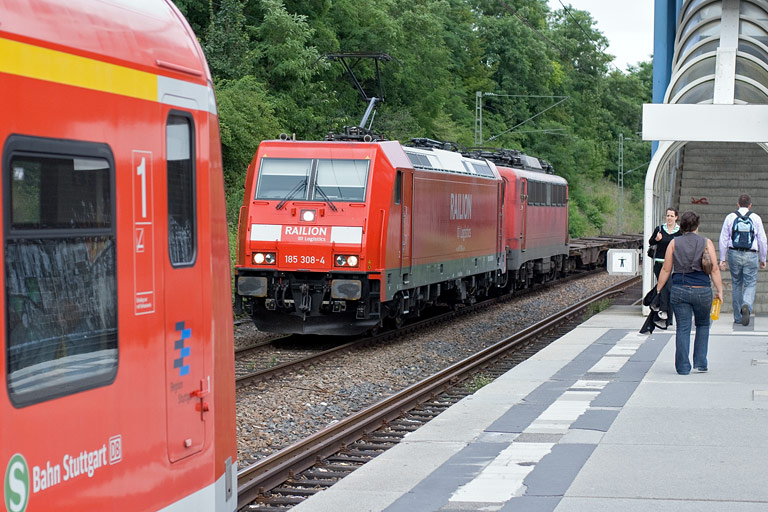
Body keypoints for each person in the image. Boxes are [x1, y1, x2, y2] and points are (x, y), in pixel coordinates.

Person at [656, 211, 723, 375]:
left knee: (683, 328)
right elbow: (714, 269)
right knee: (703, 324)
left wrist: (658, 289)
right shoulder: (706, 242)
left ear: (682, 226)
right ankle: (700, 362)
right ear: (697, 225)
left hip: (680, 290)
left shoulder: (674, 243)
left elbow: (666, 269)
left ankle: (683, 367)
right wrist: (720, 291)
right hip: (702, 290)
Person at [718, 194, 767, 326]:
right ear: (750, 205)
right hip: (751, 254)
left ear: (738, 204)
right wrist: (763, 258)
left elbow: (723, 238)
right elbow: (762, 240)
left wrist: (722, 258)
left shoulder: (730, 217)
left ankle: (738, 317)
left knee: (736, 283)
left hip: (734, 253)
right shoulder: (756, 218)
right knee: (750, 283)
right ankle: (746, 304)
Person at [648, 208, 681, 324]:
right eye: (668, 215)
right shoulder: (660, 229)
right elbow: (650, 242)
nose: (669, 218)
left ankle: (660, 308)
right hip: (660, 263)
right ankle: (663, 312)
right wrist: (657, 239)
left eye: (671, 216)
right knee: (665, 288)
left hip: (673, 264)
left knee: (668, 289)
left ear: (676, 217)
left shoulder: (679, 231)